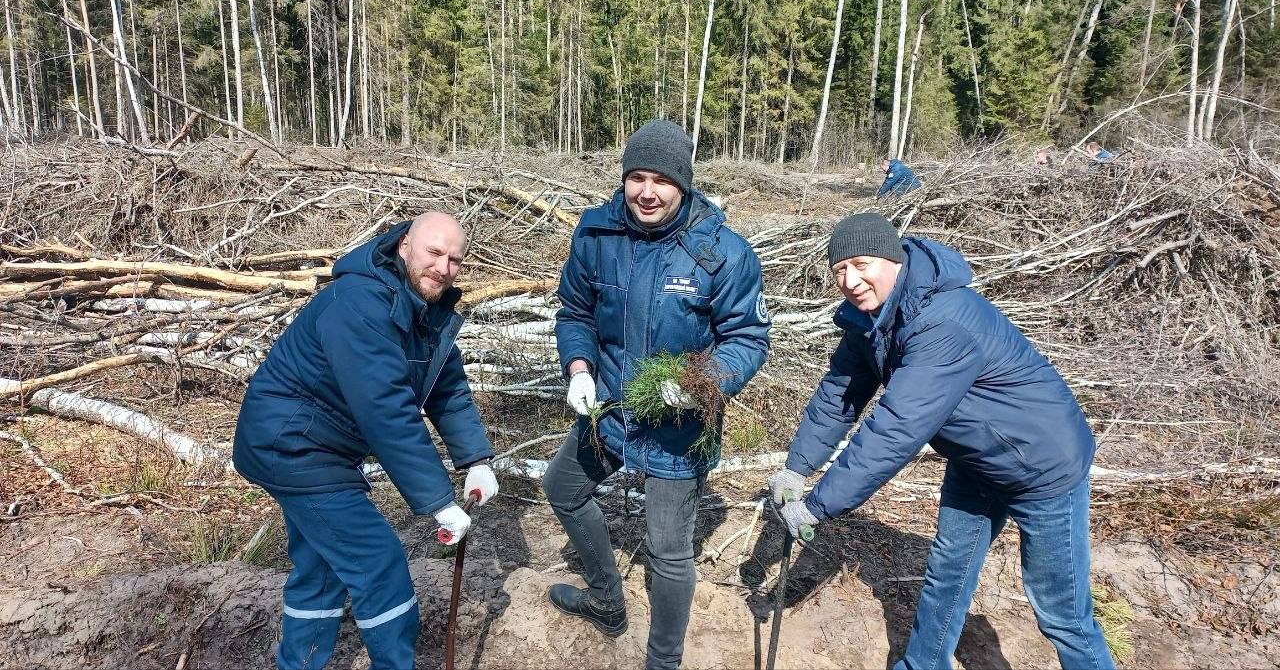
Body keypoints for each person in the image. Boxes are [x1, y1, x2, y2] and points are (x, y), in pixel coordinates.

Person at [767, 213, 1115, 670]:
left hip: (1043, 466)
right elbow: (839, 395)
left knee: (1061, 611)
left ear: (893, 259)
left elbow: (896, 428)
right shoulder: (870, 320)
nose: (851, 280)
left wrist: (817, 506)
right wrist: (797, 467)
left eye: (861, 263)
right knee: (947, 577)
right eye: (839, 271)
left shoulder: (941, 322)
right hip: (978, 461)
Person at [545, 119, 770, 669]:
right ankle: (605, 599)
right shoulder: (597, 236)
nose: (647, 191)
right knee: (563, 488)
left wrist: (699, 385)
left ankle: (662, 660)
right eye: (636, 177)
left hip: (679, 425)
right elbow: (575, 313)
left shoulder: (720, 252)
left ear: (683, 185)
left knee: (668, 550)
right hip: (612, 409)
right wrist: (578, 368)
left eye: (661, 180)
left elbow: (747, 338)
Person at [233, 212, 499, 670]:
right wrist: (438, 499)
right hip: (292, 445)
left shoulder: (425, 307)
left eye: (455, 259)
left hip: (320, 446)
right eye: (434, 253)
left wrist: (474, 459)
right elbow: (385, 409)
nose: (443, 267)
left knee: (320, 571)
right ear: (404, 247)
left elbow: (447, 387)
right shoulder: (359, 301)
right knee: (379, 563)